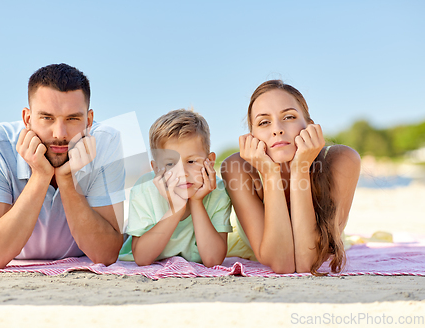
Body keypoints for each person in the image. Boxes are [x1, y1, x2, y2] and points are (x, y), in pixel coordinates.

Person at [0, 63, 125, 269]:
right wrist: (40, 176)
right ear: (27, 119)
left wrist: (67, 180)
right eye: (47, 118)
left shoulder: (107, 141)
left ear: (89, 120)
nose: (59, 133)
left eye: (72, 118)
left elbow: (106, 254)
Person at [222, 80, 361, 275]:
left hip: (315, 246)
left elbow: (307, 263)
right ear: (252, 137)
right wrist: (269, 173)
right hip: (260, 248)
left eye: (288, 117)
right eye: (264, 122)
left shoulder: (342, 160)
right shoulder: (236, 167)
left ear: (310, 126)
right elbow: (282, 264)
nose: (277, 129)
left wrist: (300, 168)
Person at [118, 109, 232, 267]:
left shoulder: (218, 190)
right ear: (156, 169)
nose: (182, 173)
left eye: (191, 161)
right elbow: (142, 259)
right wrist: (176, 209)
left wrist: (197, 202)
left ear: (210, 162)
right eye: (170, 164)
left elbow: (213, 261)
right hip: (140, 241)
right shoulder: (143, 189)